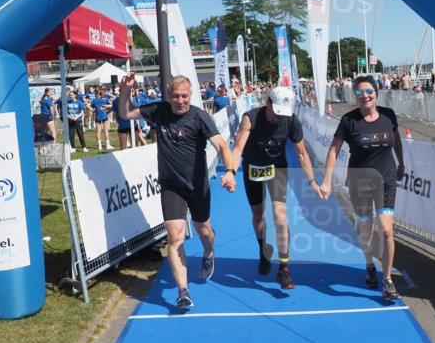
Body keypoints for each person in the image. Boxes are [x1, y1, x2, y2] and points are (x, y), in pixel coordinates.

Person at [118, 73, 237, 309]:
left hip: (197, 186)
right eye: (175, 96)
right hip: (171, 186)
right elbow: (125, 113)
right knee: (175, 237)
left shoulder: (199, 117)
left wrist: (230, 170)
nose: (180, 100)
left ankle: (209, 252)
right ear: (168, 96)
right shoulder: (159, 111)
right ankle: (183, 291)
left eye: (184, 96)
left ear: (191, 95)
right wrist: (125, 91)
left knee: (204, 231)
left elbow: (222, 145)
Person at [319, 75, 405, 301]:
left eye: (369, 91)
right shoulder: (349, 121)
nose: (365, 96)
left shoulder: (389, 115)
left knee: (386, 230)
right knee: (366, 232)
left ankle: (387, 280)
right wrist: (327, 181)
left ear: (377, 93)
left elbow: (396, 140)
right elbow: (333, 151)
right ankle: (369, 264)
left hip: (385, 179)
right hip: (360, 182)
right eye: (360, 92)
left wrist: (402, 163)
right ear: (355, 95)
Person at [230, 86, 321, 289]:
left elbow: (302, 154)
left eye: (283, 113)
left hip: (276, 168)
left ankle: (284, 268)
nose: (279, 117)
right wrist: (230, 172)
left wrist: (312, 181)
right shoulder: (250, 118)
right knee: (258, 217)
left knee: (280, 217)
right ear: (268, 104)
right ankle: (263, 248)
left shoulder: (290, 120)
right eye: (276, 111)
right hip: (252, 167)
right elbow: (237, 149)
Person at [114, 86, 148, 150]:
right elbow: (115, 114)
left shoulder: (132, 100)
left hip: (130, 125)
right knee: (127, 148)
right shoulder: (117, 101)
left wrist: (138, 125)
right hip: (124, 125)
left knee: (134, 147)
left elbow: (115, 114)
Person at [92, 86, 112, 150]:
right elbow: (112, 105)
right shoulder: (105, 99)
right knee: (105, 130)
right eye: (103, 90)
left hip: (98, 116)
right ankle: (107, 145)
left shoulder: (94, 100)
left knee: (99, 131)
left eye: (104, 90)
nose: (103, 91)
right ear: (100, 91)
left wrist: (93, 110)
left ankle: (100, 146)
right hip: (103, 116)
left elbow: (88, 105)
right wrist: (108, 110)